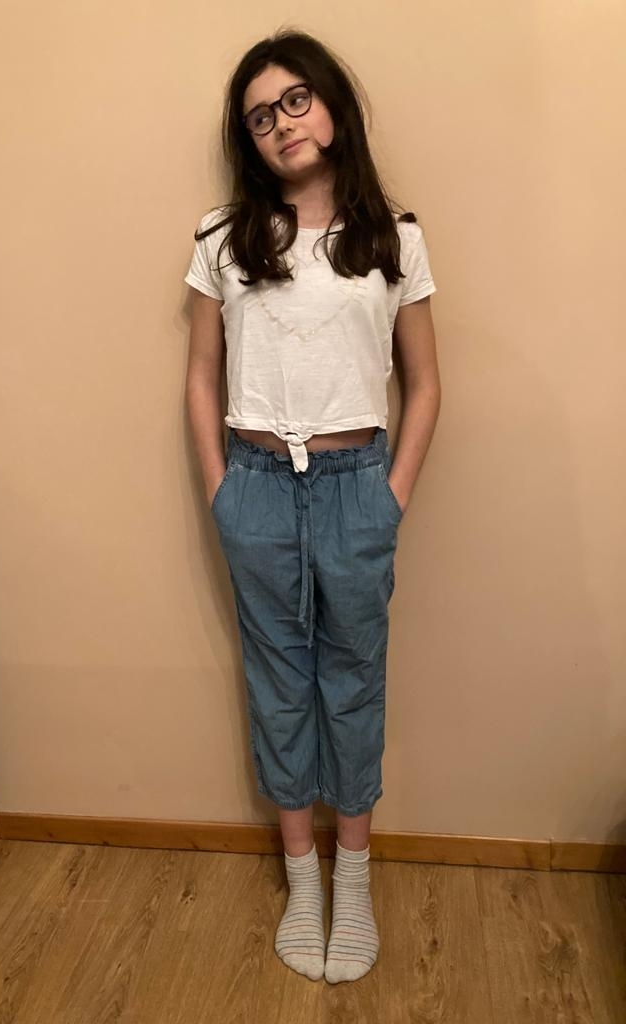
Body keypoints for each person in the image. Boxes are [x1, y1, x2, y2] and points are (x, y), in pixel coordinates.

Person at [183, 30, 441, 984]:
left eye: (295, 100)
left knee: (354, 681)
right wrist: (221, 490)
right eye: (260, 116)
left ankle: (354, 878)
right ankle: (303, 878)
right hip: (254, 488)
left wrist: (389, 497)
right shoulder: (222, 239)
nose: (281, 123)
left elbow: (426, 384)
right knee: (278, 685)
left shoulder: (393, 238)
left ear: (332, 105)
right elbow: (200, 378)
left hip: (354, 491)